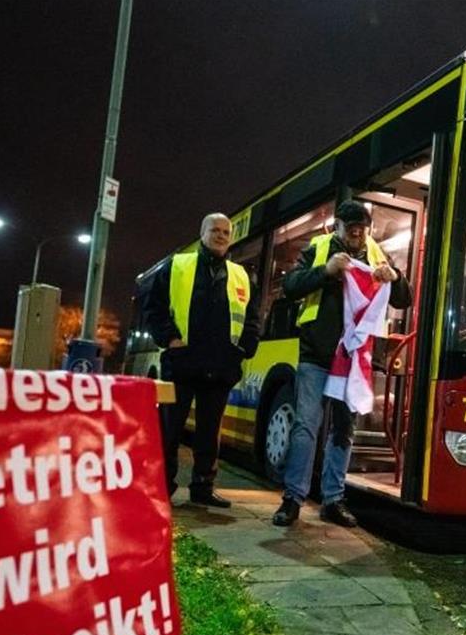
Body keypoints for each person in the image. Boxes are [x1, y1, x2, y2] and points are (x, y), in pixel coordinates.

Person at [271, 200, 412, 527]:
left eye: (362, 229)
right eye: (351, 228)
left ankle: (333, 500)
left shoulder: (377, 254)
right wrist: (326, 271)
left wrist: (395, 277)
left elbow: (403, 298)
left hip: (353, 359)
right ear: (338, 228)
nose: (358, 234)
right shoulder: (319, 249)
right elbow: (290, 287)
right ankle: (292, 498)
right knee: (306, 426)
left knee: (343, 430)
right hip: (316, 355)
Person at [144, 213, 261, 508]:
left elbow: (252, 317)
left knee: (210, 433)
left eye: (226, 231)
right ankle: (162, 487)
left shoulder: (241, 275)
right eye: (215, 230)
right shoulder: (178, 265)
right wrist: (169, 338)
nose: (221, 235)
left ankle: (203, 487)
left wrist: (245, 347)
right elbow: (154, 306)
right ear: (202, 233)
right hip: (182, 363)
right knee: (169, 431)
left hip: (221, 366)